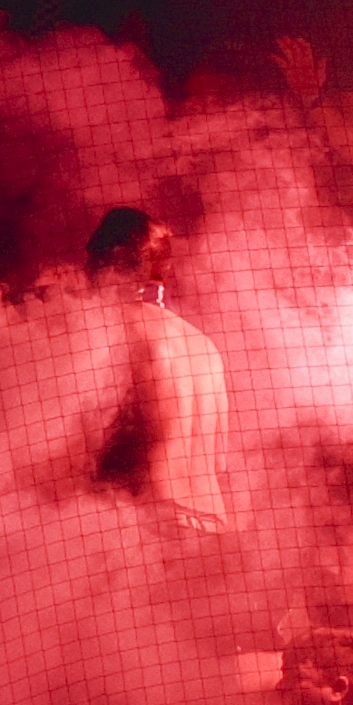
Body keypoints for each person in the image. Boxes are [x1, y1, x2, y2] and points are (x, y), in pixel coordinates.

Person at [84, 205, 233, 531]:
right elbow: (218, 462)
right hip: (213, 532)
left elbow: (86, 441)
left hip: (150, 527)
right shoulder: (205, 345)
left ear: (111, 262)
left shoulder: (116, 331)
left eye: (93, 260)